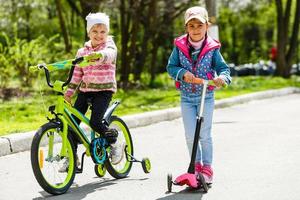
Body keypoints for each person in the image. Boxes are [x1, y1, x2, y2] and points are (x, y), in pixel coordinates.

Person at [166, 6, 232, 184]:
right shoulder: (179, 47)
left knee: (204, 134)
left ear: (207, 27)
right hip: (186, 96)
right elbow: (171, 67)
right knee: (190, 134)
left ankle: (207, 168)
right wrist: (181, 73)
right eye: (192, 26)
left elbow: (224, 69)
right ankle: (195, 166)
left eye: (199, 25)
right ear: (186, 28)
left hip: (206, 95)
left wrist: (222, 78)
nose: (196, 29)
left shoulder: (212, 48)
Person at [59, 12, 124, 172]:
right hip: (85, 90)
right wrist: (69, 92)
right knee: (72, 123)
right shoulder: (82, 52)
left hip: (104, 90)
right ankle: (72, 159)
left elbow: (109, 55)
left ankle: (116, 142)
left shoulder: (109, 46)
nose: (99, 35)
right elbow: (77, 74)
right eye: (95, 31)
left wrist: (99, 55)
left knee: (96, 122)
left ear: (107, 33)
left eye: (102, 31)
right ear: (89, 32)